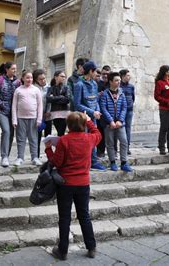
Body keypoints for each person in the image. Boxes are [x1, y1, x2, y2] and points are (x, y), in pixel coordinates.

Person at [45, 112, 100, 261]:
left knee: (64, 218)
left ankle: (62, 250)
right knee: (84, 215)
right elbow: (97, 133)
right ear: (83, 125)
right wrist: (88, 120)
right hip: (83, 183)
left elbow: (56, 162)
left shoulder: (64, 141)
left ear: (68, 125)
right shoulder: (89, 139)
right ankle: (91, 247)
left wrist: (48, 149)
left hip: (66, 184)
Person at [73, 61, 107, 171]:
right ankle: (85, 162)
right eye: (95, 71)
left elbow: (96, 99)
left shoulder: (94, 84)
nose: (97, 73)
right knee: (84, 140)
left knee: (94, 139)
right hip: (83, 118)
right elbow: (77, 104)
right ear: (90, 71)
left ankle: (93, 161)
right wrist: (92, 112)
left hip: (94, 117)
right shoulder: (79, 85)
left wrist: (97, 111)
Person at [99, 72, 133, 172]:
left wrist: (120, 120)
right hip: (109, 124)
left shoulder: (121, 93)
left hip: (120, 123)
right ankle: (112, 162)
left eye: (119, 80)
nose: (119, 82)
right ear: (110, 82)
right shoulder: (104, 94)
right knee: (109, 143)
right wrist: (110, 121)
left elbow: (124, 107)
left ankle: (124, 162)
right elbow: (103, 108)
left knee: (124, 142)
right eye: (116, 80)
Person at [0, 62, 21, 167]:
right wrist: (2, 104)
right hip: (1, 111)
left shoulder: (18, 82)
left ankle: (6, 156)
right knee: (6, 131)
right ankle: (4, 156)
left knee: (11, 134)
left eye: (15, 69)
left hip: (14, 112)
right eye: (13, 69)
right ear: (7, 69)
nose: (15, 71)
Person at [12, 71, 43, 166]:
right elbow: (14, 106)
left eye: (31, 78)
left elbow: (40, 105)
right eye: (27, 77)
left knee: (33, 138)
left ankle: (35, 157)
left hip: (33, 118)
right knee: (20, 139)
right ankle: (20, 157)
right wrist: (14, 119)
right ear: (23, 78)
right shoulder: (18, 90)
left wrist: (39, 119)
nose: (29, 79)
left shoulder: (36, 90)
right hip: (20, 118)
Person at [154, 65, 169, 155]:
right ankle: (161, 147)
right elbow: (157, 96)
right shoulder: (160, 83)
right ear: (165, 72)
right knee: (164, 128)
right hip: (165, 109)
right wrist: (167, 102)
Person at [33, 69, 51, 159]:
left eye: (44, 78)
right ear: (36, 80)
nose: (43, 80)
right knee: (38, 136)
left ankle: (49, 156)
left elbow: (50, 101)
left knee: (48, 137)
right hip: (37, 116)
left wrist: (48, 111)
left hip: (48, 115)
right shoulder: (33, 88)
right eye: (41, 79)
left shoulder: (49, 87)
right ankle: (36, 156)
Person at [46, 71, 70, 136]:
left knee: (61, 133)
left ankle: (60, 145)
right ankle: (59, 145)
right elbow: (48, 99)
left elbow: (67, 100)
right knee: (59, 132)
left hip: (64, 113)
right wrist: (61, 97)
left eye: (64, 77)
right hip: (54, 113)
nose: (63, 78)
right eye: (62, 76)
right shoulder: (50, 88)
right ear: (56, 77)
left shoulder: (66, 87)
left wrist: (54, 98)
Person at [96, 65, 111, 158]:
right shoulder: (97, 84)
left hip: (110, 112)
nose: (105, 75)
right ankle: (100, 151)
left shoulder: (112, 84)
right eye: (104, 73)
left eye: (107, 74)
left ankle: (111, 151)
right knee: (100, 132)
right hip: (100, 112)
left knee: (111, 133)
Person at [120, 69, 135, 155]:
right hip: (120, 110)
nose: (129, 77)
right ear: (123, 76)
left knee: (127, 129)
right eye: (127, 75)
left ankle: (127, 147)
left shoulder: (131, 87)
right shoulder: (119, 86)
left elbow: (133, 98)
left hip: (129, 110)